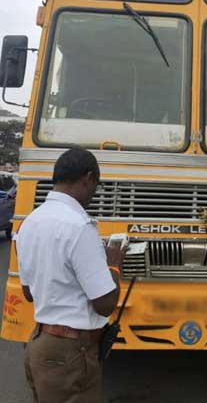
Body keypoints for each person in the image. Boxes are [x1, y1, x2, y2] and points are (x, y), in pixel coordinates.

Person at [18, 147, 125, 403]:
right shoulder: (80, 227)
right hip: (71, 353)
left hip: (39, 346)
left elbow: (28, 292)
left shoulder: (29, 223)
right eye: (95, 185)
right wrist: (113, 265)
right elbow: (104, 305)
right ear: (88, 178)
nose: (93, 193)